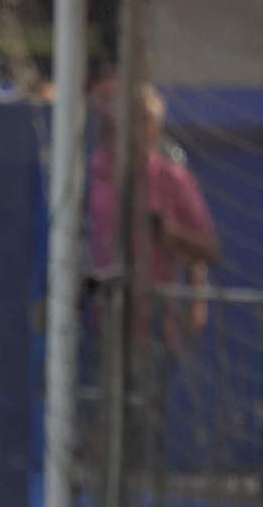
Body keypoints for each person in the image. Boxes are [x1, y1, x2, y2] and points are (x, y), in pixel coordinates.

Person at [86, 83, 220, 351]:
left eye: (145, 119)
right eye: (131, 117)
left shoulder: (173, 179)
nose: (137, 127)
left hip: (153, 323)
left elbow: (208, 249)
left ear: (156, 127)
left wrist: (172, 233)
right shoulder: (95, 172)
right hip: (100, 316)